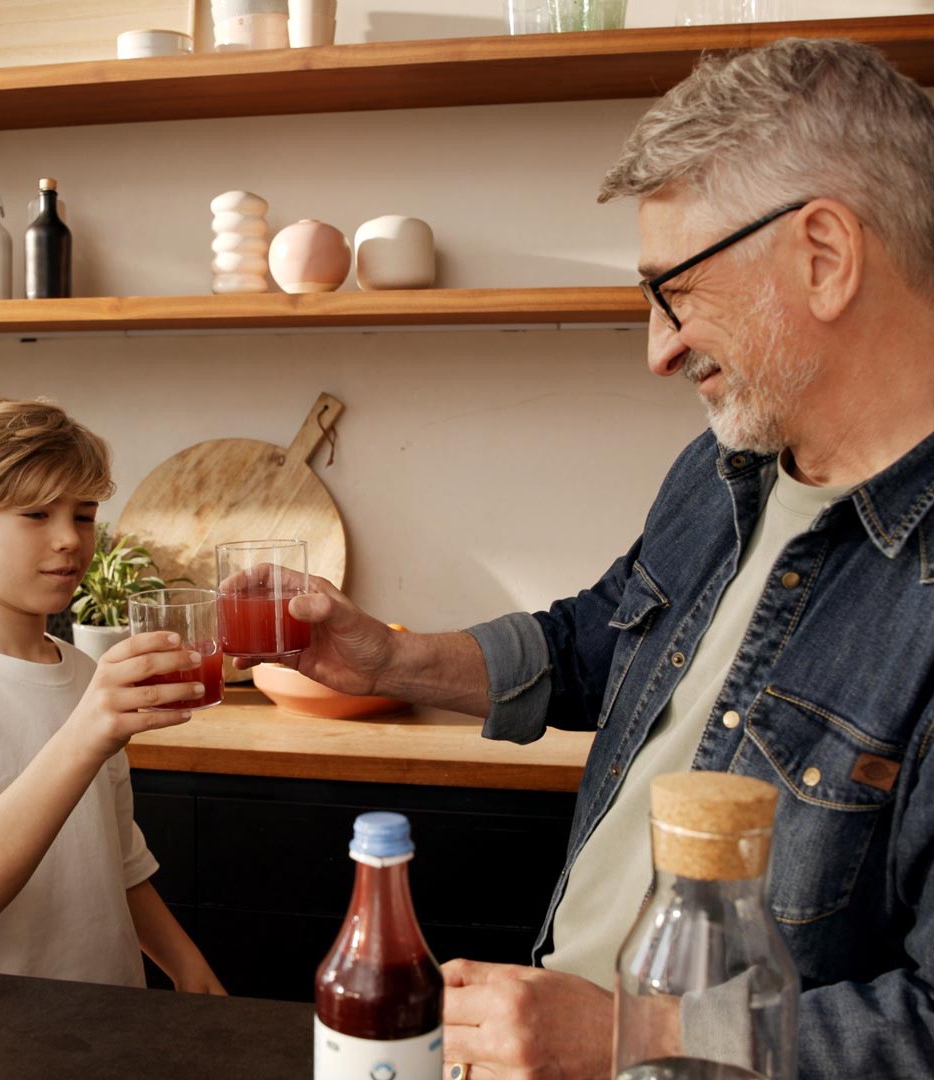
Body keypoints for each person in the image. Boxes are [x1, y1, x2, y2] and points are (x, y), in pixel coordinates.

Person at [262, 37, 934, 1078]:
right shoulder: (722, 470)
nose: (658, 350)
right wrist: (388, 662)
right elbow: (599, 642)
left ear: (823, 256)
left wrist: (630, 1037)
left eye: (677, 292)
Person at [0, 396, 225, 993]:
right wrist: (87, 732)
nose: (69, 540)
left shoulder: (84, 674)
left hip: (102, 1017)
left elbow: (113, 859)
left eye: (84, 515)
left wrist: (190, 970)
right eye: (35, 513)